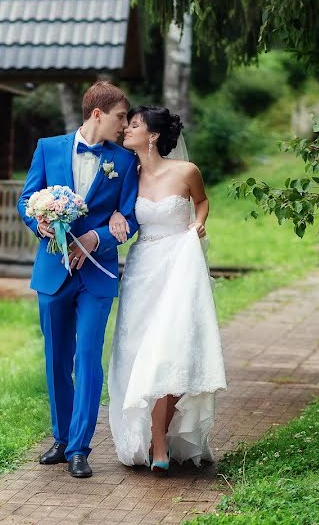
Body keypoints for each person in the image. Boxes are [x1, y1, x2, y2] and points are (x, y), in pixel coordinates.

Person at [16, 81, 139, 478]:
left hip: (97, 273)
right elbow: (26, 198)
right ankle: (60, 437)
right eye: (121, 116)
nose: (125, 125)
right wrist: (40, 223)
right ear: (98, 114)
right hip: (53, 272)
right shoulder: (48, 148)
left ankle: (80, 448)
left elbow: (131, 217)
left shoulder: (123, 162)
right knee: (56, 359)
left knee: (87, 356)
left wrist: (95, 237)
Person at [106, 105, 227, 473]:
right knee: (138, 353)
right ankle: (150, 435)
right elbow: (119, 211)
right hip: (143, 270)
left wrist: (198, 224)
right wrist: (113, 216)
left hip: (180, 267)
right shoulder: (129, 173)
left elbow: (202, 202)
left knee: (172, 351)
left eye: (136, 125)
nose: (127, 129)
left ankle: (160, 440)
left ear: (153, 135)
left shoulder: (187, 171)